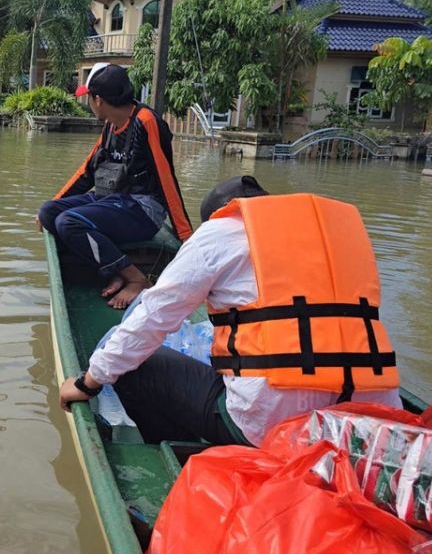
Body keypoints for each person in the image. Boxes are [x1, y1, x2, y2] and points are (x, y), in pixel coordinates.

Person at [59, 175, 403, 447]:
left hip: (269, 430)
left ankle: (184, 451)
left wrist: (89, 382)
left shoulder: (220, 231)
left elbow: (152, 316)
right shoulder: (336, 238)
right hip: (367, 423)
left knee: (133, 366)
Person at [37, 63, 193, 309]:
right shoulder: (110, 125)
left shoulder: (145, 121)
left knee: (68, 222)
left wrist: (186, 237)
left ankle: (135, 279)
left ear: (98, 99)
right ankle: (115, 270)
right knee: (49, 212)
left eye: (88, 98)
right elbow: (87, 172)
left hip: (142, 209)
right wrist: (55, 201)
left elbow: (166, 179)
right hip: (110, 200)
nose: (87, 103)